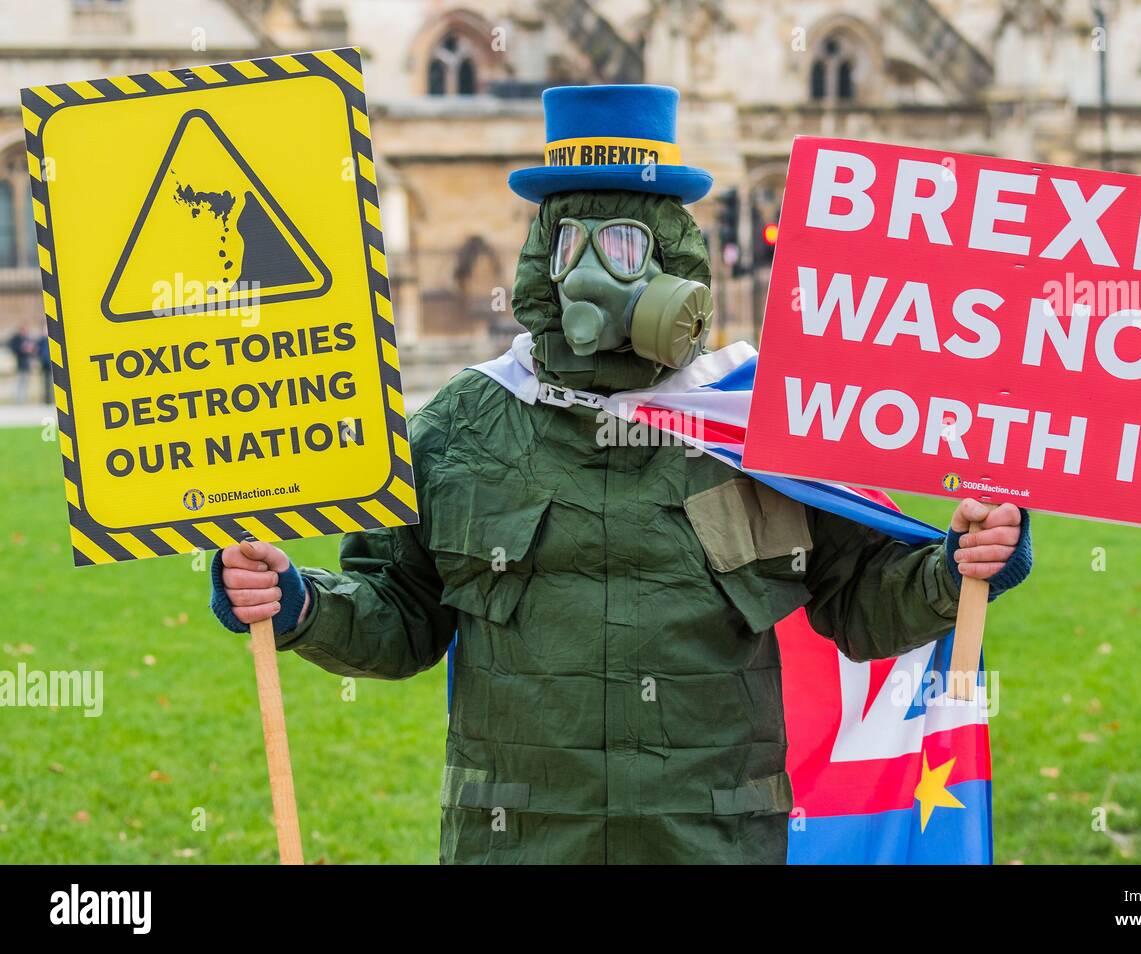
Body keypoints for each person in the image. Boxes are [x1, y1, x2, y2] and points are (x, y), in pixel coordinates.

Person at [209, 85, 1032, 864]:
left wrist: (955, 570)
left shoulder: (755, 421)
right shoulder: (464, 425)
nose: (593, 273)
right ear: (541, 262)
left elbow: (860, 602)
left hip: (710, 841)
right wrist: (301, 604)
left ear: (676, 264)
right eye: (571, 244)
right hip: (517, 841)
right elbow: (400, 614)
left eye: (626, 246)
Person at [8, 323, 35, 404]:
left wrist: (31, 350)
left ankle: (24, 399)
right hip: (20, 364)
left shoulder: (28, 338)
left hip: (27, 364)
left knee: (26, 382)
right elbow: (14, 348)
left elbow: (33, 350)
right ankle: (18, 400)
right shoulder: (17, 339)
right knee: (19, 382)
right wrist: (22, 349)